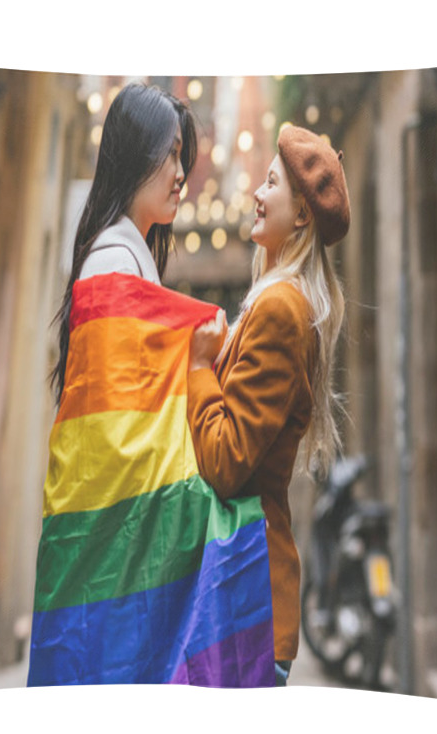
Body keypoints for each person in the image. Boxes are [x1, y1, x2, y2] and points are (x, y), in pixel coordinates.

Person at [186, 125, 350, 686]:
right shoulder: (277, 301)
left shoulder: (280, 308)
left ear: (301, 215)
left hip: (246, 604)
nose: (257, 192)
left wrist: (200, 368)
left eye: (272, 183)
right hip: (244, 599)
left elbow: (227, 462)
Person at [49, 81, 198, 404]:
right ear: (138, 155)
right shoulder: (115, 265)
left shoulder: (121, 257)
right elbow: (118, 415)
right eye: (172, 154)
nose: (181, 173)